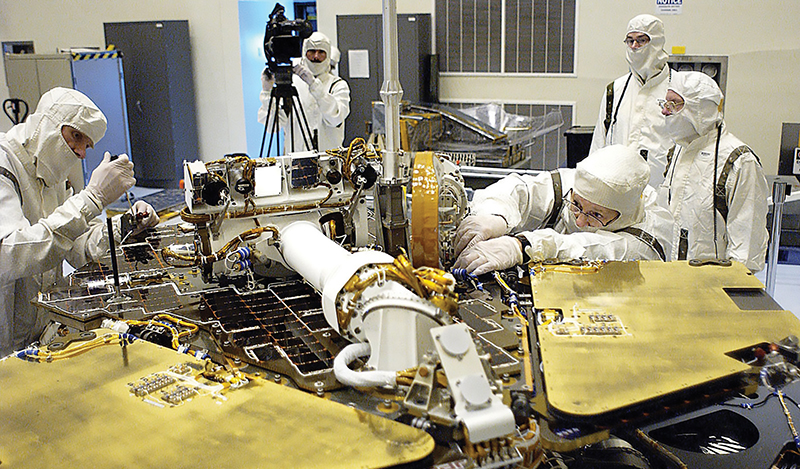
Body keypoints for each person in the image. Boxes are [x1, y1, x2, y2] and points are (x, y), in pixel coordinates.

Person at [0, 87, 159, 356]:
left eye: (87, 145)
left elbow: (77, 247)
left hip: (39, 331)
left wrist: (125, 226)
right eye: (76, 136)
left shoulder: (53, 175)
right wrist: (90, 199)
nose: (81, 152)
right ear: (47, 123)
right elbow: (11, 253)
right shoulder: (6, 164)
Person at [453, 145, 673, 275]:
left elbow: (592, 249)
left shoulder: (649, 238)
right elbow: (522, 190)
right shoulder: (580, 184)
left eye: (596, 215)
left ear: (621, 215)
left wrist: (522, 245)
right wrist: (493, 216)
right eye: (576, 205)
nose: (579, 221)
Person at [658, 71, 768, 272]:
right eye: (665, 104)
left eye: (674, 104)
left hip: (712, 281)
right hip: (670, 272)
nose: (665, 112)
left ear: (698, 110)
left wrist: (732, 286)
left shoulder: (739, 160)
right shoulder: (678, 151)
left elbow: (747, 242)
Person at [589, 14, 672, 187]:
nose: (635, 46)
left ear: (656, 42)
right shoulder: (615, 90)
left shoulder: (677, 89)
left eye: (642, 40)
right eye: (630, 40)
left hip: (660, 190)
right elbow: (599, 143)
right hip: (618, 189)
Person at [258, 31, 351, 153]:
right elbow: (273, 126)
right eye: (311, 51)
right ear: (304, 53)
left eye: (321, 52)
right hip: (296, 161)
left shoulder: (337, 85)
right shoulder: (293, 85)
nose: (316, 57)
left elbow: (335, 118)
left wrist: (314, 85)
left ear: (328, 55)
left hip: (326, 161)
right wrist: (266, 93)